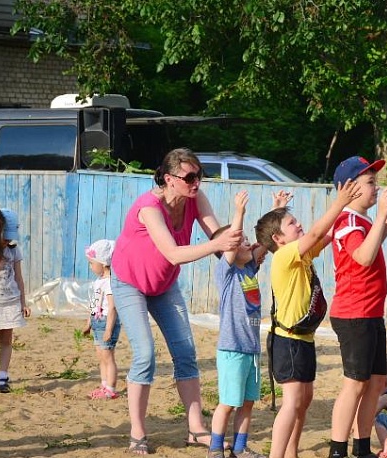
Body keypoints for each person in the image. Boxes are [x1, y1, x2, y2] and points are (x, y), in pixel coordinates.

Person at [110, 147, 242, 455]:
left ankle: (196, 429)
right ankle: (138, 432)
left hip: (164, 284)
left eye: (200, 175)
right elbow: (174, 253)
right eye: (190, 177)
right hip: (129, 282)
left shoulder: (196, 200)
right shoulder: (149, 207)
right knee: (144, 355)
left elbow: (219, 236)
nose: (197, 182)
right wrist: (217, 245)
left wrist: (243, 248)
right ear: (169, 179)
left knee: (186, 352)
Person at [254, 178, 360, 458]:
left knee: (304, 401)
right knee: (292, 403)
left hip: (304, 339)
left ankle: (291, 452)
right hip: (287, 340)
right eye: (292, 224)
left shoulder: (299, 254)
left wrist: (348, 211)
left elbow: (325, 236)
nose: (299, 225)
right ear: (278, 239)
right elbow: (315, 234)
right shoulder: (284, 256)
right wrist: (339, 202)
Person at [328, 156, 387, 458]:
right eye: (370, 182)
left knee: (375, 382)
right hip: (354, 314)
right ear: (348, 188)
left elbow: (369, 246)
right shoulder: (347, 220)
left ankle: (362, 447)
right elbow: (362, 256)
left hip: (370, 312)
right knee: (354, 384)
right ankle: (338, 449)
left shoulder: (361, 220)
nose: (376, 187)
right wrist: (382, 219)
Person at [207, 190, 270, 458]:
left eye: (247, 240)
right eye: (241, 241)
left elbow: (266, 244)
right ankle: (215, 449)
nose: (247, 244)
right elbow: (232, 244)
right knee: (228, 403)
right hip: (232, 349)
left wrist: (276, 211)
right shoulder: (228, 272)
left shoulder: (249, 270)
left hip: (251, 350)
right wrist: (239, 213)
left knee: (247, 403)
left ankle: (240, 448)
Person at [0, 205, 30, 394]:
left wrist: (23, 302)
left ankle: (2, 375)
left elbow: (19, 278)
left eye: (10, 235)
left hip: (10, 301)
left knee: (6, 338)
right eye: (3, 235)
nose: (7, 239)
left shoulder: (14, 251)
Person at [81, 239, 121, 400]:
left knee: (108, 356)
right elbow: (95, 304)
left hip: (106, 322)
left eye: (92, 263)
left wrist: (109, 329)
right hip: (97, 321)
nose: (90, 266)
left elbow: (112, 307)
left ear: (104, 263)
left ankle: (110, 388)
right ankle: (104, 385)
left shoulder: (110, 283)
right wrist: (89, 323)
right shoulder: (99, 281)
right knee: (101, 356)